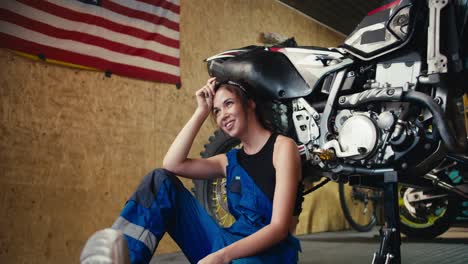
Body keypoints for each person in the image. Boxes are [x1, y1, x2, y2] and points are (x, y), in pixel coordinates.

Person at [80, 77, 303, 264]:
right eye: (216, 111)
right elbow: (172, 164)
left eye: (228, 104)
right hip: (228, 244)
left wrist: (221, 257)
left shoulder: (282, 148)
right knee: (160, 181)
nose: (222, 115)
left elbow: (279, 228)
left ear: (250, 102)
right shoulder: (229, 161)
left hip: (265, 256)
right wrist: (201, 111)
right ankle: (118, 257)